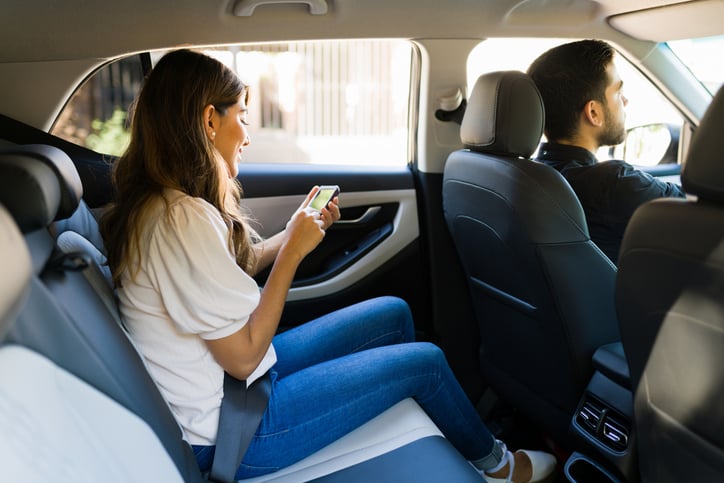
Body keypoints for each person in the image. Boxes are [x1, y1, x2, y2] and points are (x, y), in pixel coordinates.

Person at [100, 48, 556, 483]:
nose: (248, 133)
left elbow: (221, 276)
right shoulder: (180, 219)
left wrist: (291, 235)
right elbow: (242, 358)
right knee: (427, 364)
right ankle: (499, 467)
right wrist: (294, 254)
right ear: (208, 121)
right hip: (235, 432)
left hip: (235, 396)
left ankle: (460, 435)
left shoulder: (164, 207)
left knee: (393, 312)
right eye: (241, 116)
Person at [527, 39, 685, 264]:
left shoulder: (528, 175)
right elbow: (698, 212)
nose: (626, 101)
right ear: (593, 112)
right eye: (618, 93)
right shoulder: (612, 184)